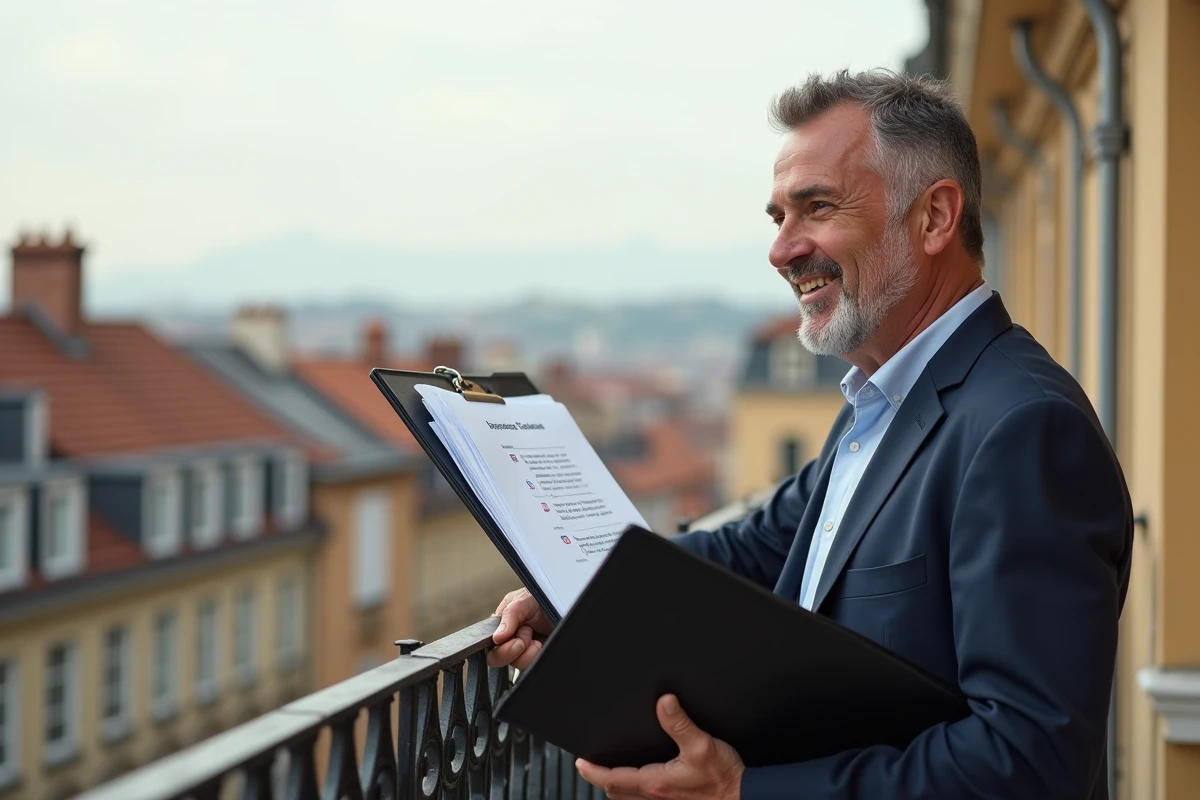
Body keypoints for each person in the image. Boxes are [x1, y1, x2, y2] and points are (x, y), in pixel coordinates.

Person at [487, 69, 1133, 800]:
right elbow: (756, 546)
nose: (783, 250)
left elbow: (1029, 763)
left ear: (933, 218)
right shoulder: (884, 401)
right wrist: (580, 594)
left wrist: (745, 793)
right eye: (778, 218)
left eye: (817, 207)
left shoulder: (1024, 429)